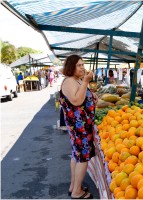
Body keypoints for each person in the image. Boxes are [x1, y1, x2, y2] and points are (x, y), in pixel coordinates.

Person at [59, 54, 98, 199]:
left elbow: (82, 97)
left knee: (76, 155)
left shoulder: (76, 80)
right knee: (83, 157)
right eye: (79, 65)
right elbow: (76, 101)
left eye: (83, 64)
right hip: (79, 127)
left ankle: (74, 186)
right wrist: (86, 82)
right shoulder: (69, 81)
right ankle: (76, 192)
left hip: (80, 126)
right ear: (71, 67)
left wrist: (92, 97)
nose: (82, 67)